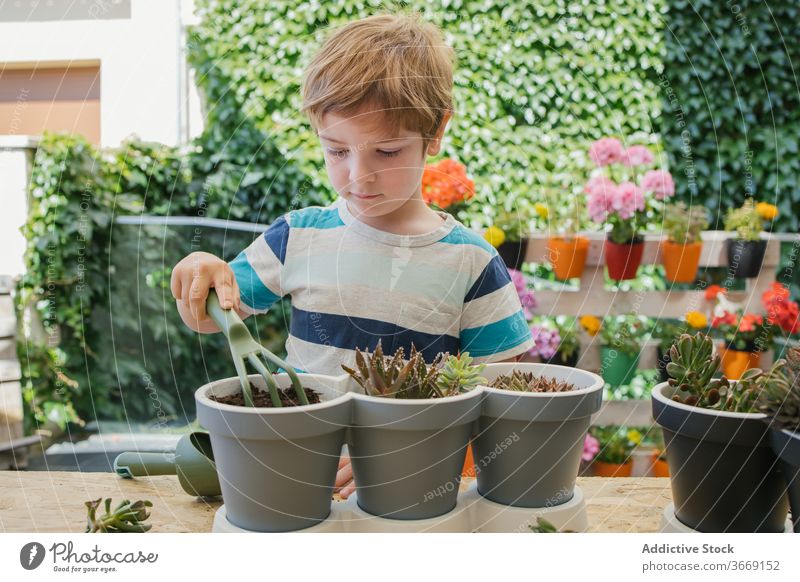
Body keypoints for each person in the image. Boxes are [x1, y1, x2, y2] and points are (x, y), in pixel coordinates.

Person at [171, 12, 534, 500]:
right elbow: (215, 317)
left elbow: (505, 407)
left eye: (386, 152)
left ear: (437, 131)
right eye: (337, 151)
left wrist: (404, 462)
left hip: (410, 498)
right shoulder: (297, 236)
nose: (358, 176)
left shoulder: (471, 264)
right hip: (296, 479)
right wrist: (199, 273)